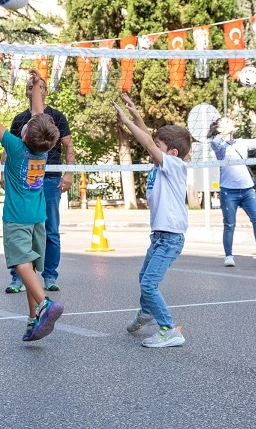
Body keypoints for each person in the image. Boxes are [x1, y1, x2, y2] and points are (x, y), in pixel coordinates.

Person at [0, 66, 64, 341]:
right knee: (30, 266)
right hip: (37, 217)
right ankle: (33, 320)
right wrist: (36, 87)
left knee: (20, 263)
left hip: (17, 217)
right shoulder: (43, 151)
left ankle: (44, 304)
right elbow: (40, 118)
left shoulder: (16, 149)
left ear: (23, 135)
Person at [113, 97, 191, 348]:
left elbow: (146, 142)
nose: (152, 149)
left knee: (148, 283)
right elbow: (149, 137)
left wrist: (126, 122)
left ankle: (169, 330)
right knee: (144, 276)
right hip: (160, 236)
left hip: (170, 237)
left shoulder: (174, 165)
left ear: (172, 152)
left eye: (159, 146)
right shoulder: (163, 164)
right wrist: (135, 114)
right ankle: (147, 312)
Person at [5, 71, 74, 293]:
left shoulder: (57, 117)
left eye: (40, 86)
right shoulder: (19, 120)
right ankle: (19, 277)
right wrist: (3, 173)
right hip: (25, 178)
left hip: (50, 178)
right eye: (32, 87)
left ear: (45, 91)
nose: (35, 89)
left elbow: (68, 146)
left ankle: (50, 275)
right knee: (23, 229)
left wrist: (69, 173)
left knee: (50, 229)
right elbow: (10, 149)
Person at [208, 110, 256, 267]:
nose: (230, 122)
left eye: (229, 121)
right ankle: (229, 256)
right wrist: (224, 130)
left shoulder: (242, 143)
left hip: (247, 189)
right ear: (218, 129)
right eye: (225, 122)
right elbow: (215, 143)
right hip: (228, 190)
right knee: (229, 224)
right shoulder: (219, 145)